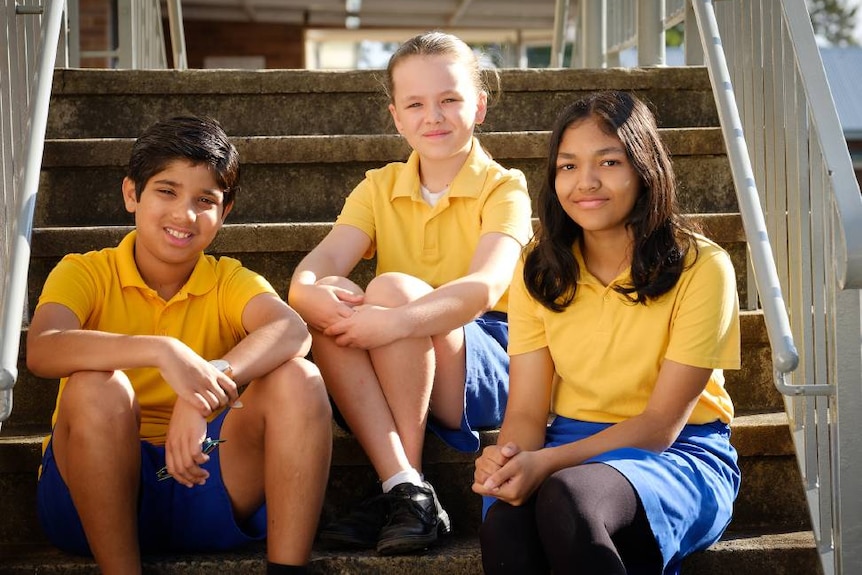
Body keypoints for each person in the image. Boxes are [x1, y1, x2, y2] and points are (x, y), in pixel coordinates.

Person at [28, 116, 332, 575]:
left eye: (204, 200)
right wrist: (162, 351)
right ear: (132, 193)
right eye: (166, 191)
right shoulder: (84, 271)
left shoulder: (229, 279)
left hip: (205, 477)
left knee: (300, 377)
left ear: (224, 213)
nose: (184, 215)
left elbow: (293, 331)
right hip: (92, 495)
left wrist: (205, 391)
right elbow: (44, 349)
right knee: (96, 387)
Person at [473, 91, 741, 575]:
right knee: (505, 521)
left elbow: (660, 425)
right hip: (566, 444)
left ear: (644, 169)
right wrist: (508, 458)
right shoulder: (539, 267)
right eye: (567, 166)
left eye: (609, 161)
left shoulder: (703, 267)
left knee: (569, 498)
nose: (586, 183)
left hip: (679, 453)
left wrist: (546, 465)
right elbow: (528, 411)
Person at [287, 31, 533, 556]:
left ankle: (407, 482)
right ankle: (405, 486)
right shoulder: (379, 186)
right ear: (397, 117)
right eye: (416, 104)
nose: (434, 116)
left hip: (488, 359)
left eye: (450, 99)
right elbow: (314, 271)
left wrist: (397, 319)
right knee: (334, 292)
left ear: (479, 106)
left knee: (390, 288)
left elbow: (486, 286)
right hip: (402, 350)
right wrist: (309, 294)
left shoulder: (503, 185)